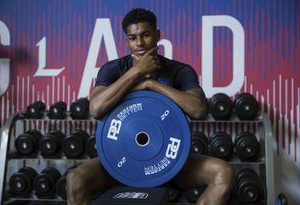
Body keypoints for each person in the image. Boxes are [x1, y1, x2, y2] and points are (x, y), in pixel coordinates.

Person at [67, 8, 234, 205]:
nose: (139, 43)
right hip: (121, 164)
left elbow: (198, 109)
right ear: (126, 41)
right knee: (75, 179)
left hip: (171, 163)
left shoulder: (180, 71)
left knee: (223, 173)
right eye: (132, 37)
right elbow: (96, 108)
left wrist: (152, 85)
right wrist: (137, 71)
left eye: (145, 35)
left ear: (157, 35)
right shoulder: (112, 70)